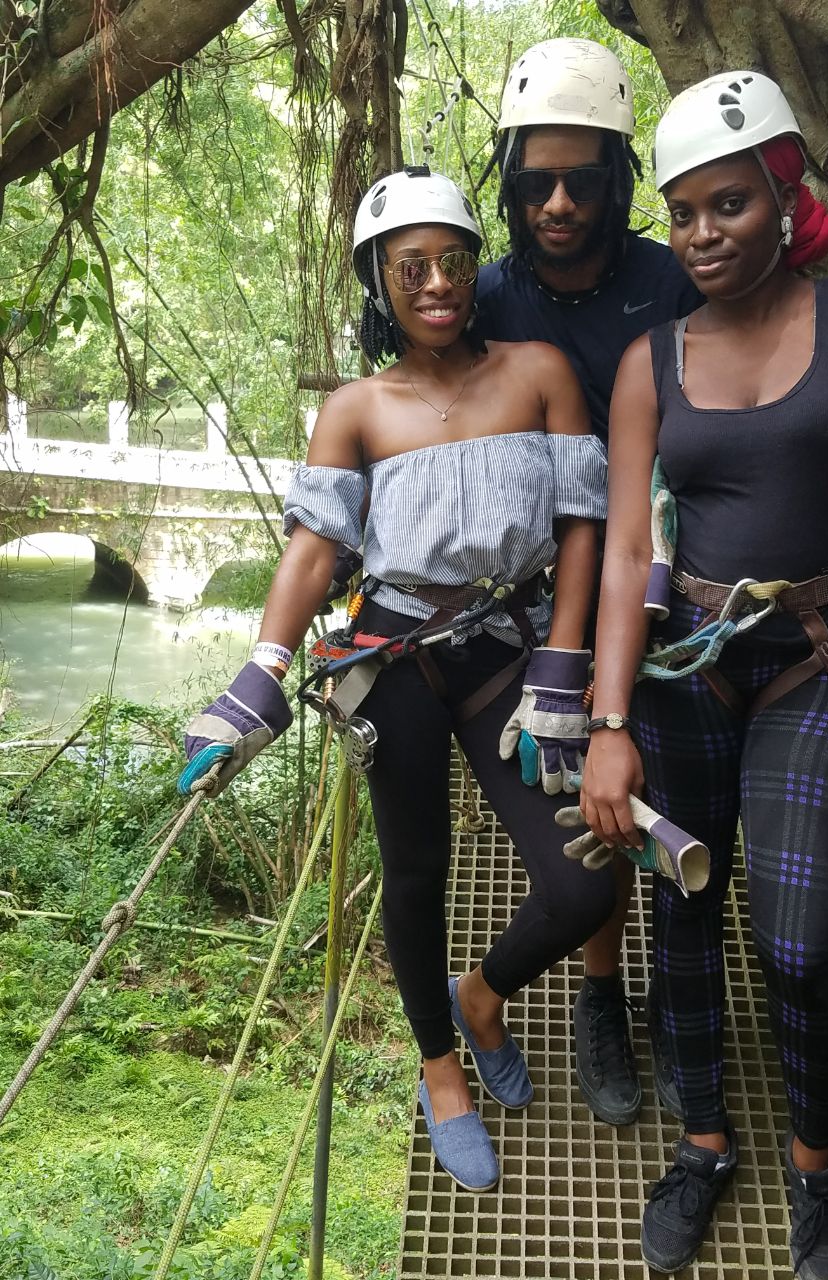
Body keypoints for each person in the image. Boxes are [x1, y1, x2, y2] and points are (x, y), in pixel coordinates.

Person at [579, 70, 828, 1280]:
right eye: (683, 211)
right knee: (684, 916)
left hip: (810, 658)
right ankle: (701, 1143)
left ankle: (815, 1165)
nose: (702, 233)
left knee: (798, 943)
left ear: (785, 195)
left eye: (730, 203)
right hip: (683, 672)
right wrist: (606, 720)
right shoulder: (650, 361)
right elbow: (629, 549)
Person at [178, 166, 614, 1194]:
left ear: (476, 266)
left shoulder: (539, 371)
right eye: (409, 267)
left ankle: (482, 994)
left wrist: (564, 664)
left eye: (451, 261)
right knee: (415, 873)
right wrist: (260, 675)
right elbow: (313, 549)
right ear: (380, 279)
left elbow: (583, 529)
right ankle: (440, 1067)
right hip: (397, 653)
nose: (436, 284)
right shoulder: (355, 407)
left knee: (584, 882)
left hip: (511, 648)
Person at [477, 35, 702, 1132]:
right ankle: (602, 991)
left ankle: (682, 994)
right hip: (548, 585)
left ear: (617, 180)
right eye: (535, 185)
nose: (557, 205)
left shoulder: (673, 283)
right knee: (586, 792)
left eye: (580, 181)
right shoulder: (484, 296)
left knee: (678, 780)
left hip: (679, 573)